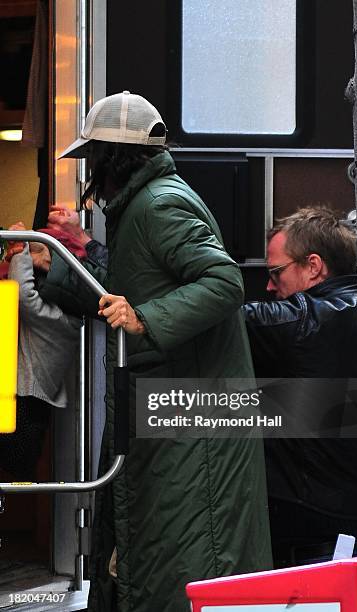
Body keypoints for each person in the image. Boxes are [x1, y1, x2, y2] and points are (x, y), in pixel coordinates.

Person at [39, 91, 272, 612]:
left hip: (188, 424)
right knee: (151, 555)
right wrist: (58, 259)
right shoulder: (145, 204)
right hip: (173, 417)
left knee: (179, 558)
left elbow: (224, 281)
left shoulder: (158, 204)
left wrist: (146, 318)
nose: (89, 174)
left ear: (110, 156)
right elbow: (125, 291)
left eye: (91, 158)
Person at [243, 206, 357, 567]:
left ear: (314, 266)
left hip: (310, 527)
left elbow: (204, 317)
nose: (269, 285)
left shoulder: (301, 323)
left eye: (276, 273)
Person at [0, 222, 81, 479]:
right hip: (28, 403)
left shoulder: (57, 320)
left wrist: (22, 247)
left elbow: (22, 295)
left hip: (24, 405)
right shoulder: (64, 317)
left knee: (13, 471)